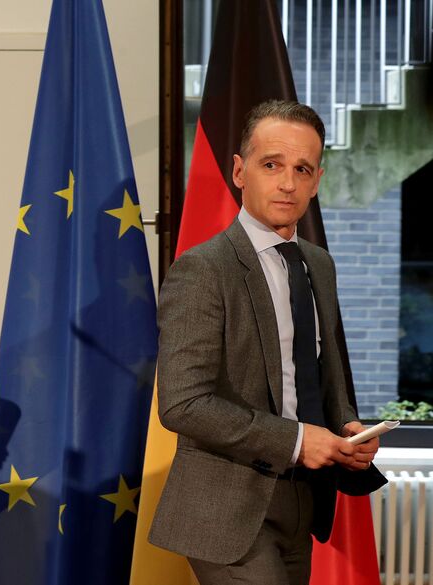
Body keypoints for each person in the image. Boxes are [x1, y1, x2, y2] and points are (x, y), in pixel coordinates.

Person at [149, 100, 382, 584]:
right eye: (271, 165)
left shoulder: (319, 263)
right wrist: (298, 440)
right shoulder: (202, 269)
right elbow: (182, 405)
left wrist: (344, 430)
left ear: (317, 179)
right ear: (239, 171)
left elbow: (321, 371)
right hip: (226, 507)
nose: (287, 183)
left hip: (304, 497)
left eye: (302, 169)